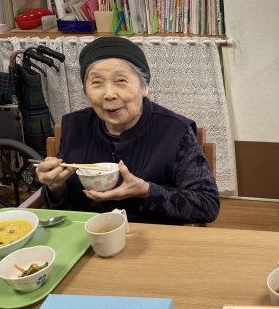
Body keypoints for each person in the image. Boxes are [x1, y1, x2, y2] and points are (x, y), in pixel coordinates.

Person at [36, 37, 220, 225]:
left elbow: (207, 204)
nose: (109, 94)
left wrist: (146, 191)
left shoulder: (175, 132)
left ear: (144, 87)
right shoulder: (75, 126)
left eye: (121, 80)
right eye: (97, 82)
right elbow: (59, 204)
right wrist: (55, 186)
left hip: (150, 236)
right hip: (86, 233)